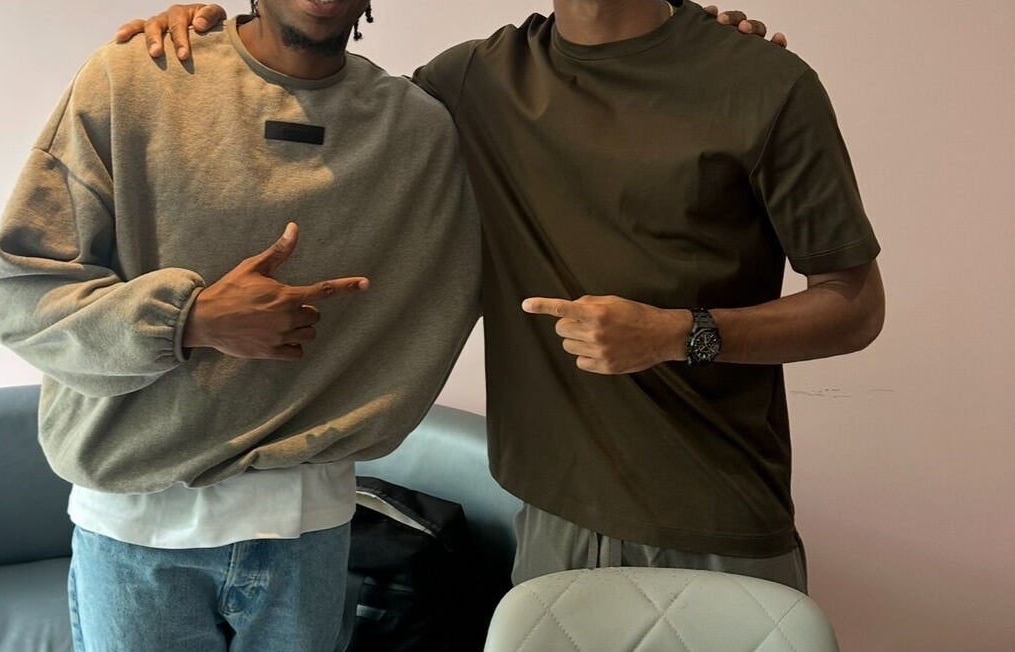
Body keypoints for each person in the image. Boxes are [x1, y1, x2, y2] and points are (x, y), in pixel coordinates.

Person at [123, 0, 886, 598]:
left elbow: (853, 304)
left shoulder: (763, 83)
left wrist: (676, 333)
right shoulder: (472, 83)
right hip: (550, 518)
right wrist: (214, 32)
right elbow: (314, 90)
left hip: (715, 516)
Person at [0, 1, 482, 650]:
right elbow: (19, 296)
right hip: (137, 527)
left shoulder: (416, 131)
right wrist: (189, 321)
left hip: (310, 527)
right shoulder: (136, 79)